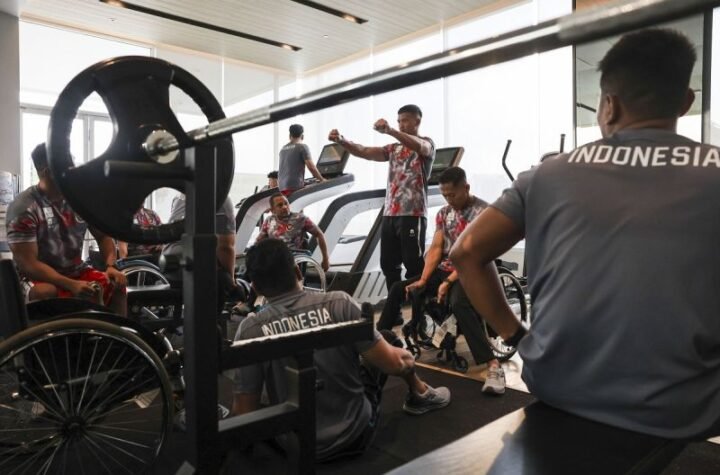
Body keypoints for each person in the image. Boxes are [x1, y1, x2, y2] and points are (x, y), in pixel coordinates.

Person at [451, 28, 720, 439]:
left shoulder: (544, 176)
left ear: (608, 106)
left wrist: (516, 336)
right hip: (684, 409)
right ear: (686, 102)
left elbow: (466, 253)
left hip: (556, 387)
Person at [232, 239, 451, 460]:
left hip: (297, 448)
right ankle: (421, 393)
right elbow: (395, 365)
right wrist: (406, 358)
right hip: (355, 435)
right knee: (389, 339)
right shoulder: (340, 304)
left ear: (255, 287)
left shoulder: (250, 330)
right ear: (298, 272)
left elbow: (244, 412)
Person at [377, 167, 505, 394]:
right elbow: (437, 248)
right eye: (445, 195)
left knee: (458, 303)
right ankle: (376, 345)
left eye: (452, 194)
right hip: (447, 268)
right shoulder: (444, 213)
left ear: (466, 188)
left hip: (474, 270)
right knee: (398, 288)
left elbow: (475, 254)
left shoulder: (483, 212)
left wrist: (448, 282)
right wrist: (424, 279)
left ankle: (493, 365)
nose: (449, 199)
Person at [6, 143, 127, 315]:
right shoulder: (24, 208)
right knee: (45, 292)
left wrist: (111, 266)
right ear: (48, 172)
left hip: (75, 271)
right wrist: (70, 284)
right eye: (68, 168)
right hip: (36, 277)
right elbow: (28, 264)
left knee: (117, 284)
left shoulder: (81, 200)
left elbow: (103, 237)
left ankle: (116, 332)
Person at [328, 104, 435, 293]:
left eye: (405, 120)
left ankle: (419, 308)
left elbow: (419, 146)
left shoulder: (427, 143)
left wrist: (390, 131)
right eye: (399, 121)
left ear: (417, 121)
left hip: (413, 213)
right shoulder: (393, 148)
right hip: (390, 214)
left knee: (413, 263)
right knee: (388, 264)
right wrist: (342, 141)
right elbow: (364, 151)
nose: (401, 124)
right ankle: (396, 305)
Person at [162, 193, 237, 310]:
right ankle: (210, 320)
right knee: (223, 279)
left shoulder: (180, 195)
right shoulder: (221, 199)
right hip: (191, 268)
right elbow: (225, 247)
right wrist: (231, 282)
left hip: (167, 265)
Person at [256, 192, 330, 272]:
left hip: (294, 256)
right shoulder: (269, 220)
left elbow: (319, 234)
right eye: (280, 205)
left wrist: (325, 259)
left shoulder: (300, 218)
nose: (284, 207)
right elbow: (258, 241)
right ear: (273, 210)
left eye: (286, 203)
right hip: (274, 256)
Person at [278, 124, 325, 195]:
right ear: (302, 136)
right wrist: (322, 179)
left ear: (289, 136)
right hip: (294, 186)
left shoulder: (283, 149)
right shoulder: (302, 147)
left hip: (282, 187)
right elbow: (311, 167)